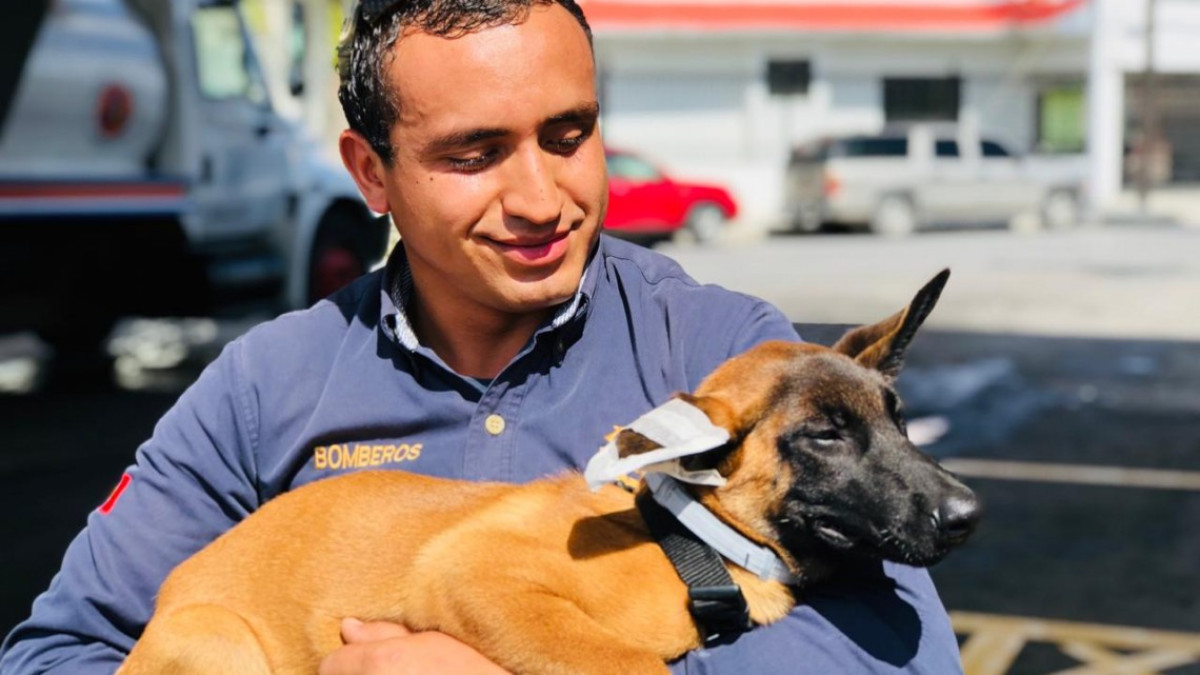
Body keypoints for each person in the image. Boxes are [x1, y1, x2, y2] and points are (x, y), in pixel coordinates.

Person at [0, 1, 964, 673]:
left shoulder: (726, 356)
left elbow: (904, 653)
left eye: (568, 134)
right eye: (474, 153)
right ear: (371, 176)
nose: (542, 199)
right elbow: (62, 651)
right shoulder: (264, 388)